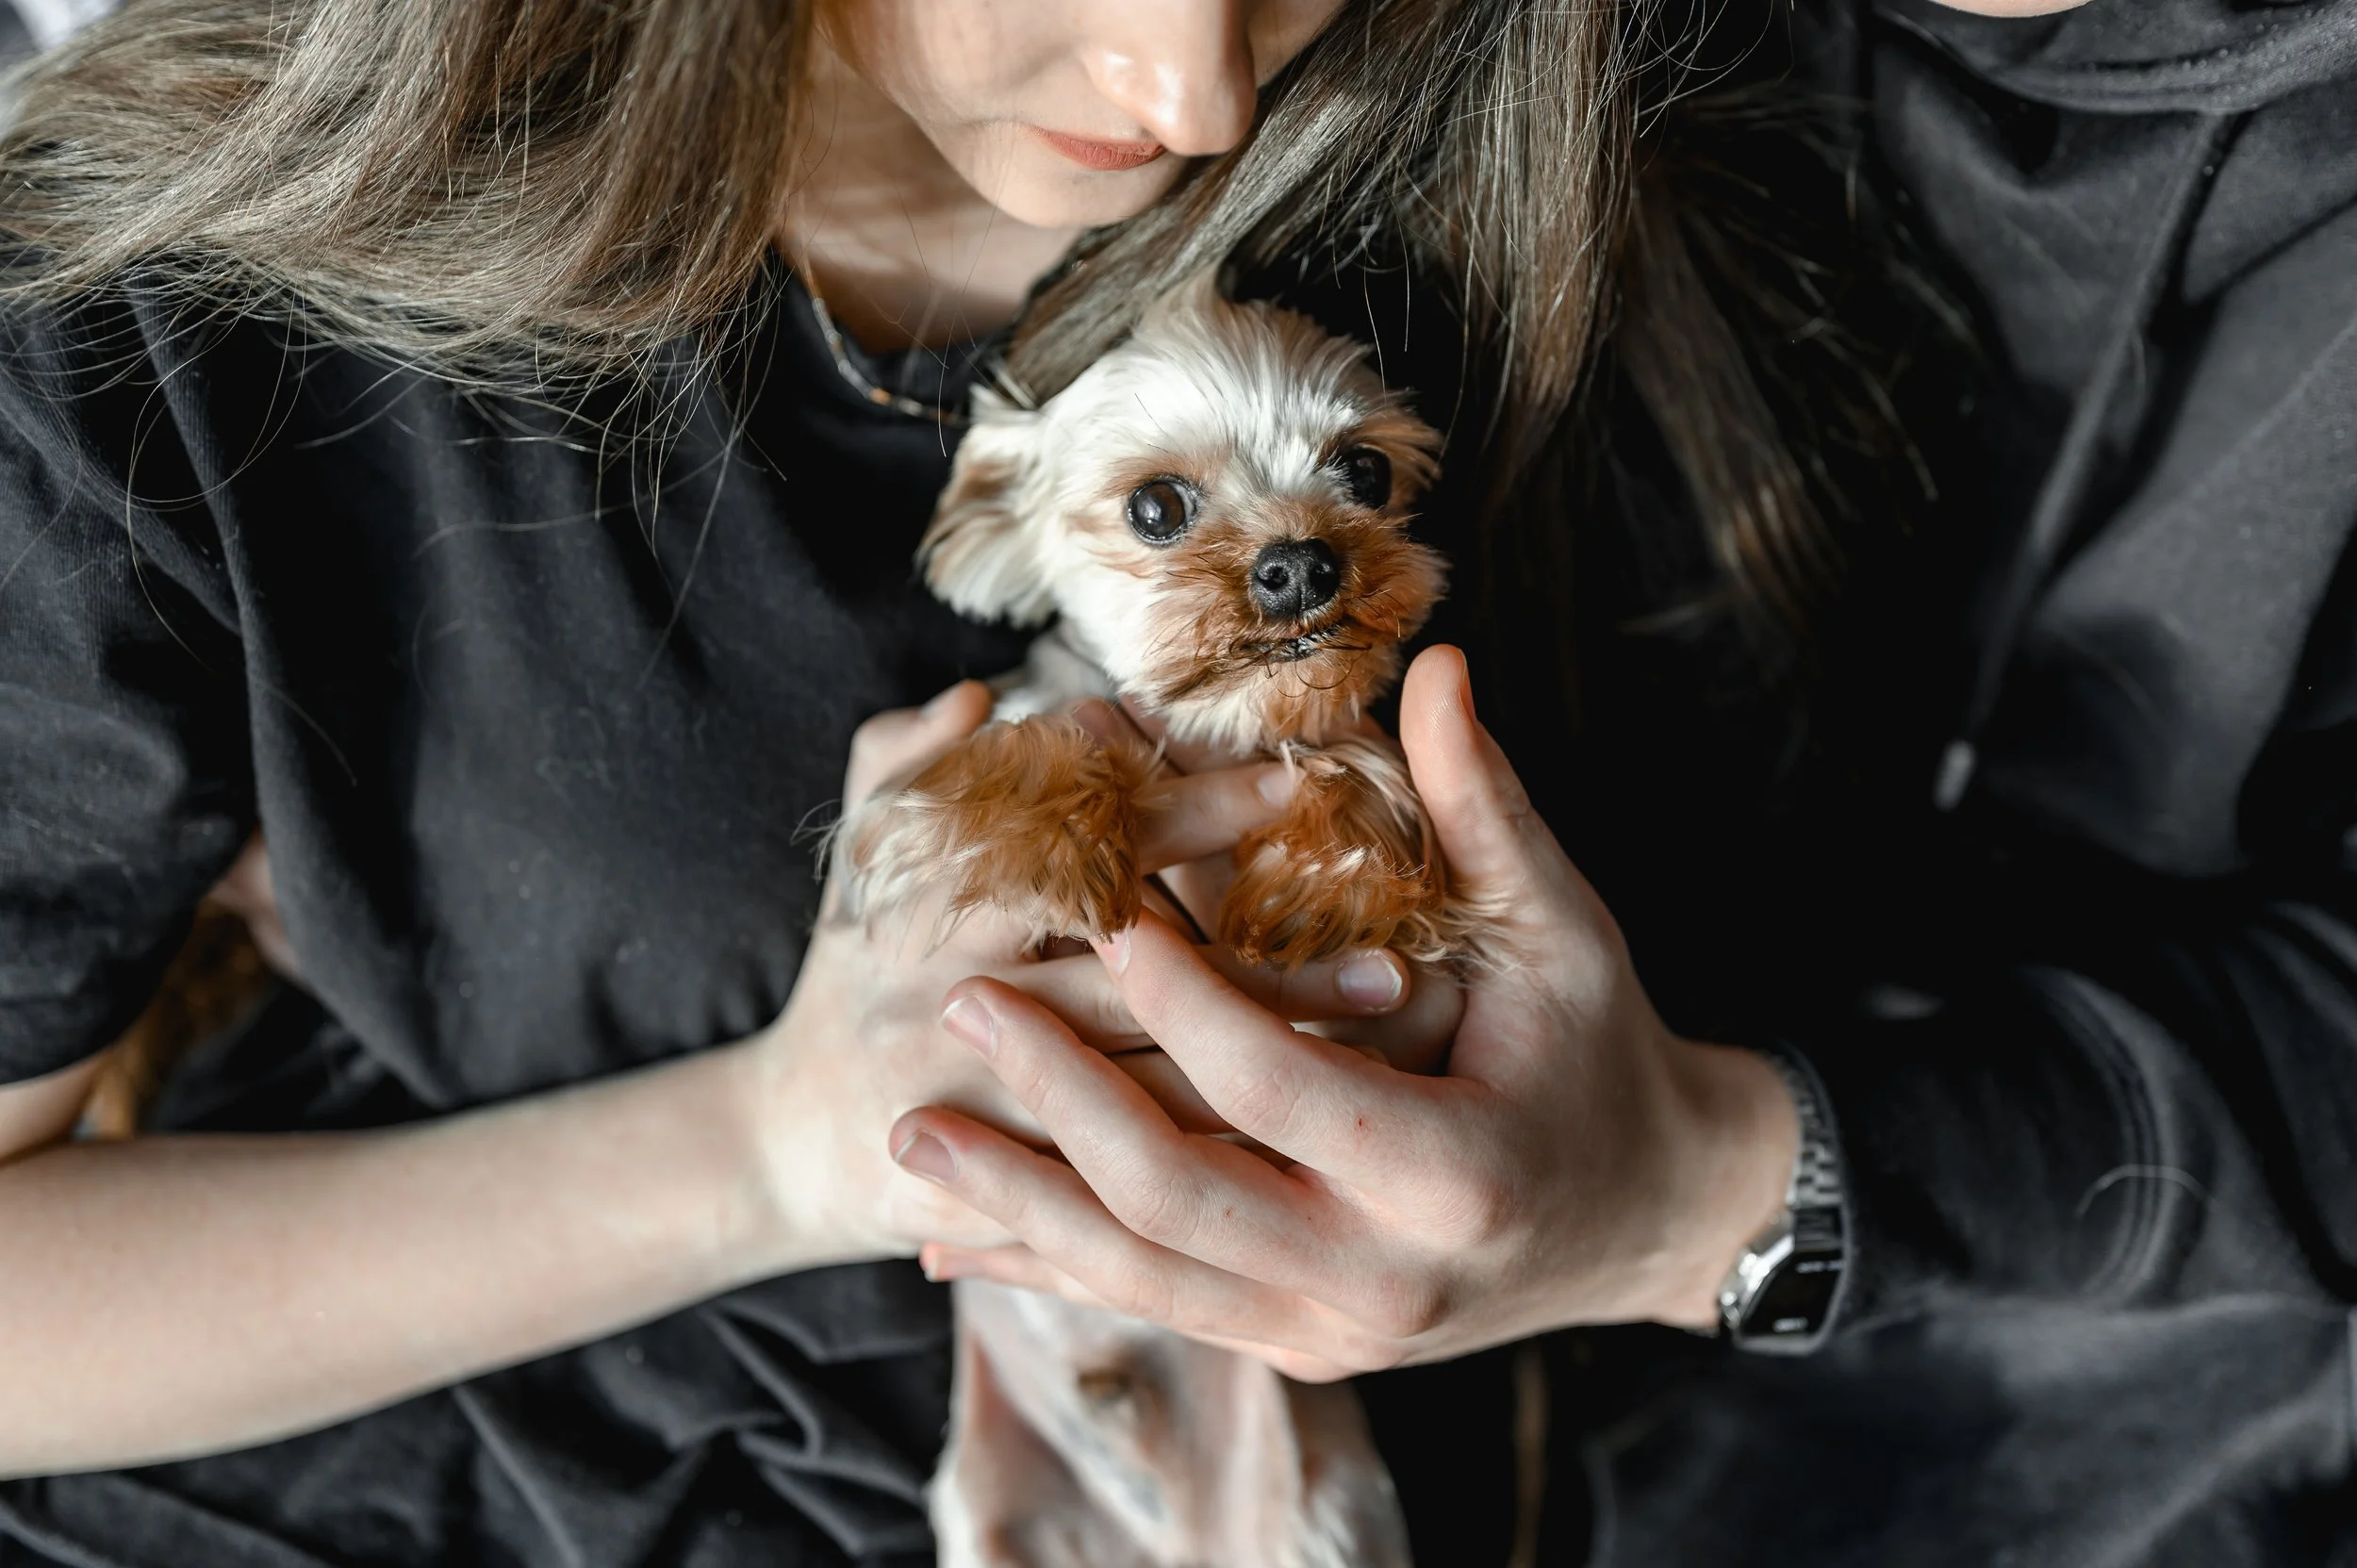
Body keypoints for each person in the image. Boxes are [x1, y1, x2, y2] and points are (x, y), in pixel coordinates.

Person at [0, 3, 2348, 1567]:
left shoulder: (1521, 191)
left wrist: (1695, 1181)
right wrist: (756, 1152)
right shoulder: (155, 335)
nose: (1189, 85)